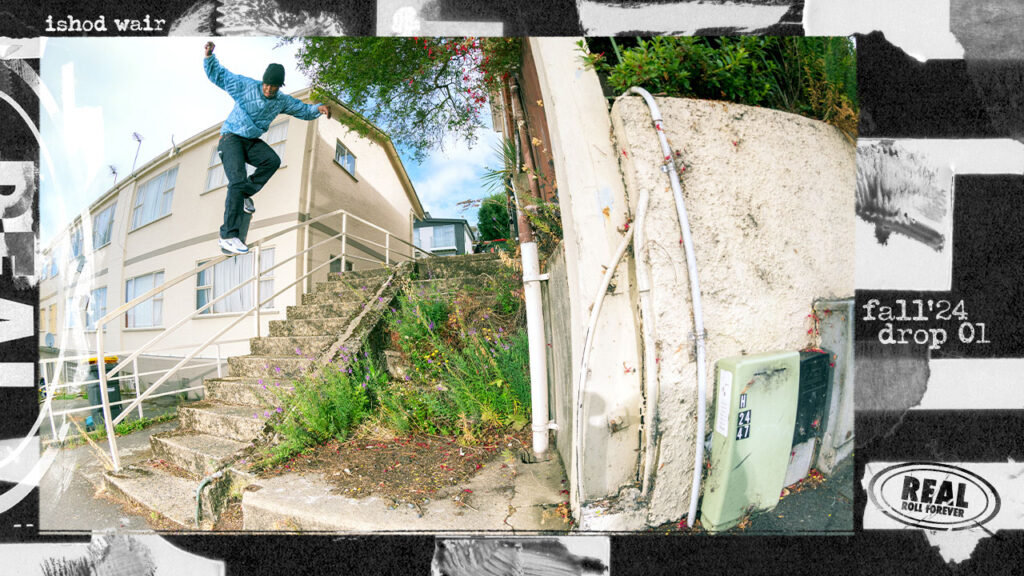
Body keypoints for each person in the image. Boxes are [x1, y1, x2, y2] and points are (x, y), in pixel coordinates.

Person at [203, 41, 331, 254]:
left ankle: (246, 193)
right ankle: (228, 236)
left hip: (250, 141)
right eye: (267, 85)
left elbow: (303, 110)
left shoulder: (280, 101)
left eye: (273, 86)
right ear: (263, 81)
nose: (269, 89)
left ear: (280, 86)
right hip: (231, 138)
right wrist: (209, 57)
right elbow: (220, 76)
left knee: (272, 161)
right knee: (236, 180)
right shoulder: (246, 86)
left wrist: (319, 108)